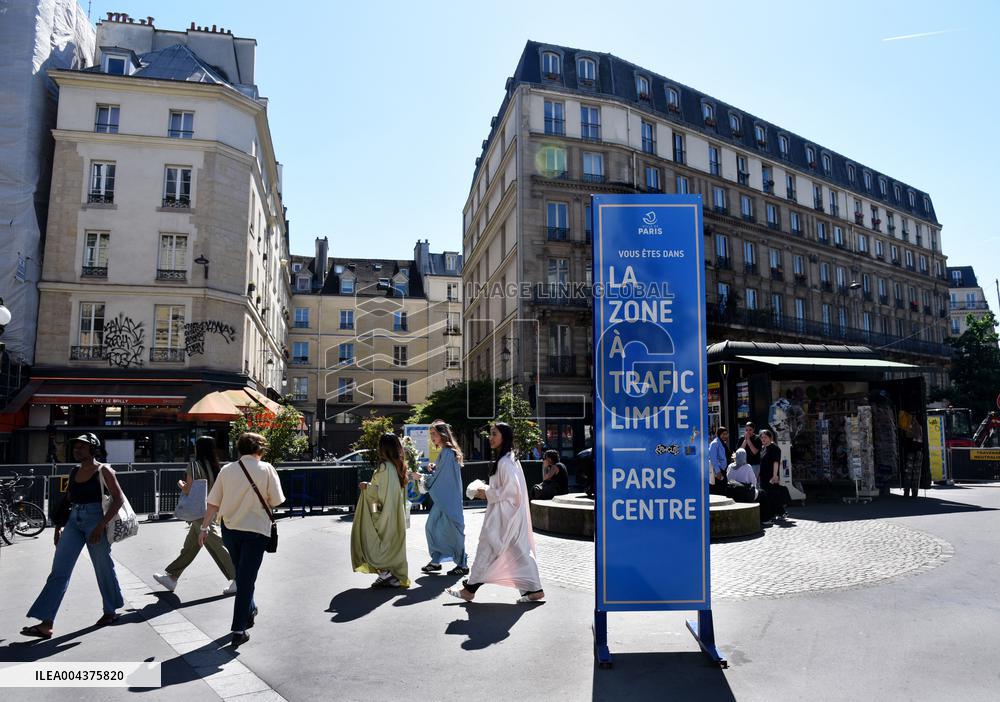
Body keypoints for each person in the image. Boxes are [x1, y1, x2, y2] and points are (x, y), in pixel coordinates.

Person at [20, 433, 125, 639]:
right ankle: (46, 623)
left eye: (82, 447)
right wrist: (59, 526)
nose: (77, 450)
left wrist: (100, 527)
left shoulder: (104, 471)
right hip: (73, 521)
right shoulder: (74, 471)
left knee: (103, 567)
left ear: (93, 449)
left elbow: (118, 499)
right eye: (75, 447)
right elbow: (68, 499)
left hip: (96, 521)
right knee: (59, 571)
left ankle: (110, 611)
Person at [198, 432, 285, 648]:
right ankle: (238, 629)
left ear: (239, 448)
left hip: (230, 529)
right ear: (260, 449)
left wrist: (204, 527)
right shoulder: (267, 469)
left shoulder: (227, 470)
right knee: (246, 579)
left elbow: (213, 502)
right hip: (256, 531)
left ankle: (250, 608)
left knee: (242, 575)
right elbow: (276, 501)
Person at [447, 422, 544, 604]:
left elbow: (511, 490)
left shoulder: (506, 462)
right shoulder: (508, 459)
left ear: (504, 437)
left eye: (494, 434)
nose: (490, 438)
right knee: (519, 550)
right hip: (508, 515)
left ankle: (469, 589)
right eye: (490, 434)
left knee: (487, 548)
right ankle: (535, 589)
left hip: (503, 516)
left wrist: (486, 492)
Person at [154, 436, 236, 594]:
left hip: (199, 512)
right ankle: (172, 577)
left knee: (216, 544)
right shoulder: (215, 467)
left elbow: (188, 489)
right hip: (212, 508)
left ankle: (238, 577)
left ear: (198, 449)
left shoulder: (194, 465)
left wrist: (180, 484)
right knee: (190, 546)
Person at [351, 433, 410, 589]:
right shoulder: (397, 466)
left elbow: (379, 495)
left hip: (383, 513)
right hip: (393, 514)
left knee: (369, 541)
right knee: (390, 547)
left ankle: (386, 574)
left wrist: (366, 487)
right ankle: (389, 576)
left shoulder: (385, 468)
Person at [416, 421, 468, 576]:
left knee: (451, 531)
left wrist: (422, 477)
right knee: (433, 527)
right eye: (431, 434)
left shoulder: (447, 452)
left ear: (443, 434)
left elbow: (440, 478)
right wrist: (434, 468)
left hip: (448, 500)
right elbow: (442, 474)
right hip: (446, 499)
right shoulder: (447, 452)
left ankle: (462, 564)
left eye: (434, 434)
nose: (432, 437)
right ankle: (436, 561)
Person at [758, 429, 790, 519]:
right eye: (762, 437)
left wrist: (775, 475)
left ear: (770, 437)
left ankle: (780, 512)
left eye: (765, 437)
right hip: (764, 476)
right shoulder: (763, 448)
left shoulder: (774, 448)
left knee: (771, 494)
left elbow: (776, 462)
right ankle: (776, 512)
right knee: (768, 495)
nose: (763, 439)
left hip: (771, 476)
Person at [709, 427, 729, 496]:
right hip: (718, 471)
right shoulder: (714, 443)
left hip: (723, 470)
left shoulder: (722, 443)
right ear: (719, 434)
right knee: (718, 492)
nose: (725, 436)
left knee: (723, 491)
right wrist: (718, 472)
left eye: (726, 434)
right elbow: (713, 459)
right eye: (723, 434)